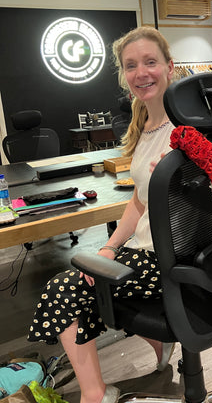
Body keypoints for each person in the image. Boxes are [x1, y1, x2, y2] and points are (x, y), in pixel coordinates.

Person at [28, 27, 177, 403]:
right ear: (124, 76)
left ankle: (95, 394)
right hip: (145, 250)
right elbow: (139, 201)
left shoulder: (187, 129)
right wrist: (109, 247)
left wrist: (185, 166)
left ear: (169, 67)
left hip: (172, 257)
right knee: (84, 278)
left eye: (150, 62)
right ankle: (155, 347)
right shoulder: (146, 125)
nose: (141, 72)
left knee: (63, 291)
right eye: (131, 65)